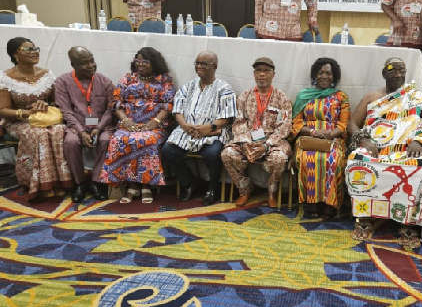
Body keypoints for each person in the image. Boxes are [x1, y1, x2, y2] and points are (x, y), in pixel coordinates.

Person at [345, 58, 422, 248]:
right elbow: (352, 124)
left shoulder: (416, 97)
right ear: (383, 73)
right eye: (392, 70)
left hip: (406, 147)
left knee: (418, 168)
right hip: (375, 146)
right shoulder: (371, 97)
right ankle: (365, 217)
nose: (397, 74)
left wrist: (418, 140)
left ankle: (408, 223)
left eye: (401, 70)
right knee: (357, 162)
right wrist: (364, 140)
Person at [98, 47, 174, 204]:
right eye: (137, 61)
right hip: (128, 123)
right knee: (120, 140)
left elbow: (169, 104)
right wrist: (126, 121)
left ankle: (146, 185)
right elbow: (116, 104)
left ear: (154, 63)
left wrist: (156, 122)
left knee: (147, 140)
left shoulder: (164, 80)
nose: (140, 64)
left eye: (145, 61)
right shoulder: (127, 79)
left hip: (155, 124)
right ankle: (132, 186)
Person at [0, 37, 72, 200]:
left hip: (44, 118)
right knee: (38, 134)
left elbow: (57, 102)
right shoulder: (6, 78)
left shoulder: (46, 74)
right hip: (17, 121)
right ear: (15, 54)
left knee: (59, 131)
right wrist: (24, 113)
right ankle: (39, 182)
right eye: (27, 49)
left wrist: (44, 104)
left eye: (35, 49)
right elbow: (3, 110)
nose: (33, 52)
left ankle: (61, 181)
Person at [161, 51, 236, 206]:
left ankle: (212, 188)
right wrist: (184, 125)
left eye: (204, 64)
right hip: (187, 130)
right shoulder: (188, 86)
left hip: (212, 132)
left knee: (212, 153)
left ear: (215, 66)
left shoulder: (224, 88)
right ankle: (189, 183)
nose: (199, 66)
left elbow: (228, 117)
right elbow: (177, 111)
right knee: (168, 150)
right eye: (197, 63)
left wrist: (210, 127)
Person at [222, 57, 292, 208]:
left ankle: (272, 191)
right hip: (247, 140)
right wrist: (246, 143)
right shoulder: (244, 96)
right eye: (258, 71)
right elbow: (239, 122)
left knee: (279, 158)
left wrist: (266, 146)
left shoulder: (281, 98)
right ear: (254, 74)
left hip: (272, 143)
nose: (262, 74)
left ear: (274, 74)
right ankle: (244, 189)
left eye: (266, 71)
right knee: (227, 153)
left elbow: (284, 127)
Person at [291, 58, 350, 219]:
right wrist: (313, 132)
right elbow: (296, 123)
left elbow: (343, 124)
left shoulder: (341, 97)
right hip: (308, 138)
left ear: (334, 76)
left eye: (328, 73)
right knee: (305, 158)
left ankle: (330, 203)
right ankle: (312, 202)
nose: (324, 76)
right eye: (321, 72)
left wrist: (330, 134)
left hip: (333, 139)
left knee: (333, 159)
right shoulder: (304, 96)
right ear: (314, 75)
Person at [54, 47, 116, 203]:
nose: (91, 65)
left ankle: (96, 182)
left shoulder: (105, 81)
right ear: (73, 64)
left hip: (102, 125)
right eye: (84, 63)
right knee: (70, 142)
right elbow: (66, 111)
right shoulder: (62, 82)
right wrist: (81, 132)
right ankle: (80, 183)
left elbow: (111, 110)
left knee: (105, 140)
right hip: (77, 125)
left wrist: (98, 128)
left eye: (92, 60)